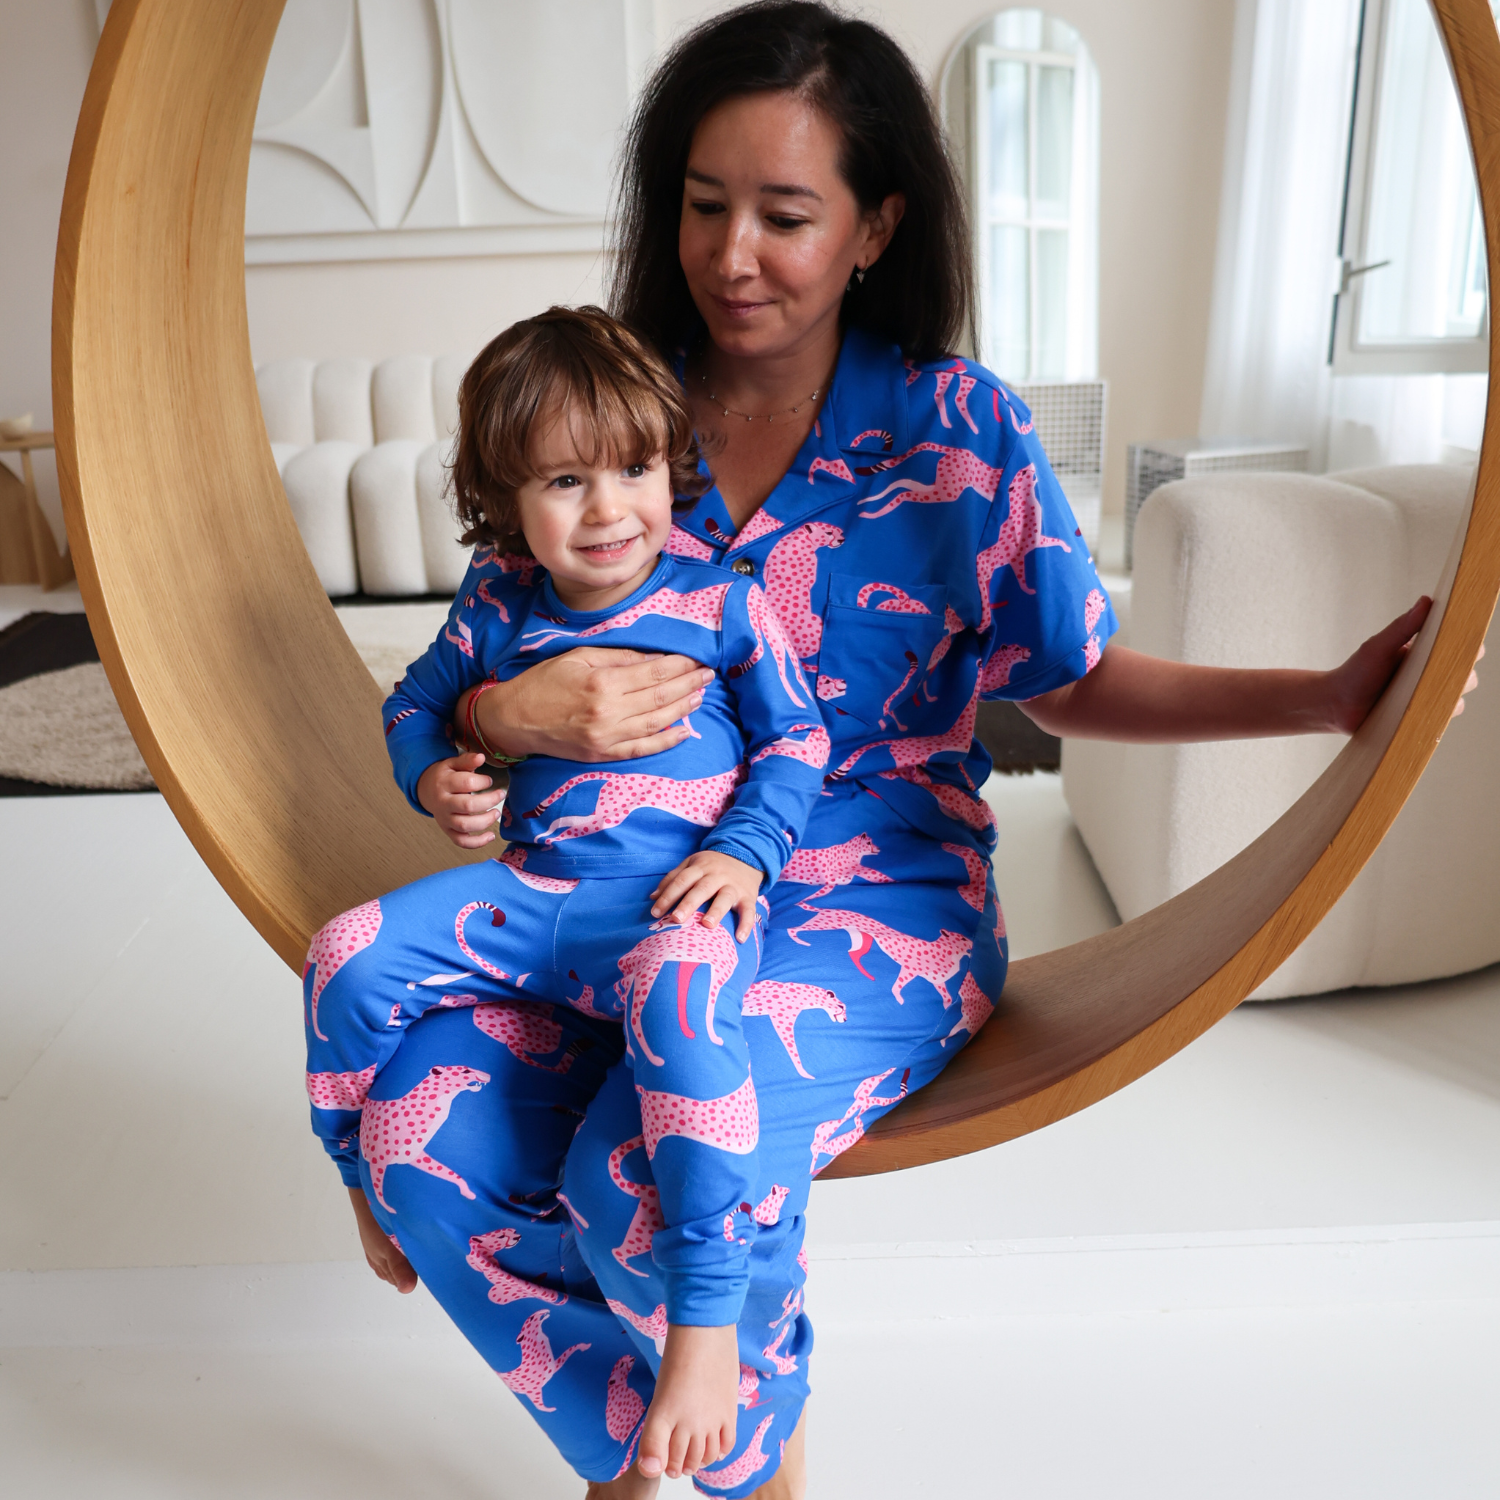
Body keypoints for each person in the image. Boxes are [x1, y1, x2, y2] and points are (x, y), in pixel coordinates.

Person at [317, 6, 1456, 1496]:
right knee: (417, 1135)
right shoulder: (609, 406)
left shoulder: (955, 429)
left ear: (876, 226)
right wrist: (490, 721)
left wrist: (1319, 698)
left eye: (786, 217)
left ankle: (750, 1472)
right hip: (610, 890)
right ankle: (644, 1452)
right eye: (704, 205)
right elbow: (476, 655)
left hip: (868, 898)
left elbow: (1072, 680)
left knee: (633, 1178)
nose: (733, 254)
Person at [305, 305, 832, 1484]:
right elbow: (413, 706)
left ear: (670, 464)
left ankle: (704, 1325)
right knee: (346, 951)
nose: (609, 510)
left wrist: (746, 853)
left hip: (663, 908)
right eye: (564, 480)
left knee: (686, 1002)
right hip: (529, 897)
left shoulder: (721, 602)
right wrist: (435, 773)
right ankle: (358, 1187)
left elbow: (798, 741)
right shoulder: (498, 608)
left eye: (634, 469)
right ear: (505, 497)